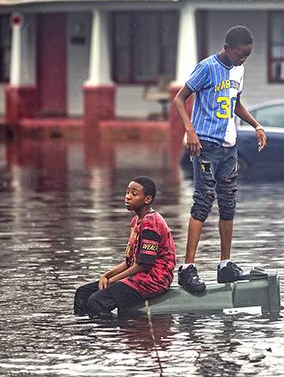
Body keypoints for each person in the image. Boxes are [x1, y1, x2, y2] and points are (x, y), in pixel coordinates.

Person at [172, 25, 267, 293]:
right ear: (227, 49)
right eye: (240, 55)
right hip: (205, 143)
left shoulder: (239, 70)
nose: (243, 60)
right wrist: (189, 131)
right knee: (203, 200)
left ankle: (225, 264)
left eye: (247, 56)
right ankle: (187, 268)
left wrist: (257, 125)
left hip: (229, 145)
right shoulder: (206, 67)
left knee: (228, 203)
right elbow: (179, 100)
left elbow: (235, 103)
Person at [73, 176, 176, 316]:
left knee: (96, 302)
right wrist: (106, 275)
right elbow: (130, 261)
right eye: (127, 192)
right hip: (139, 275)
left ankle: (112, 334)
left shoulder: (152, 223)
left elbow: (144, 264)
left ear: (147, 199)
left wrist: (112, 281)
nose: (128, 197)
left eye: (134, 194)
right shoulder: (136, 221)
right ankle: (84, 333)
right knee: (82, 293)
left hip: (154, 279)